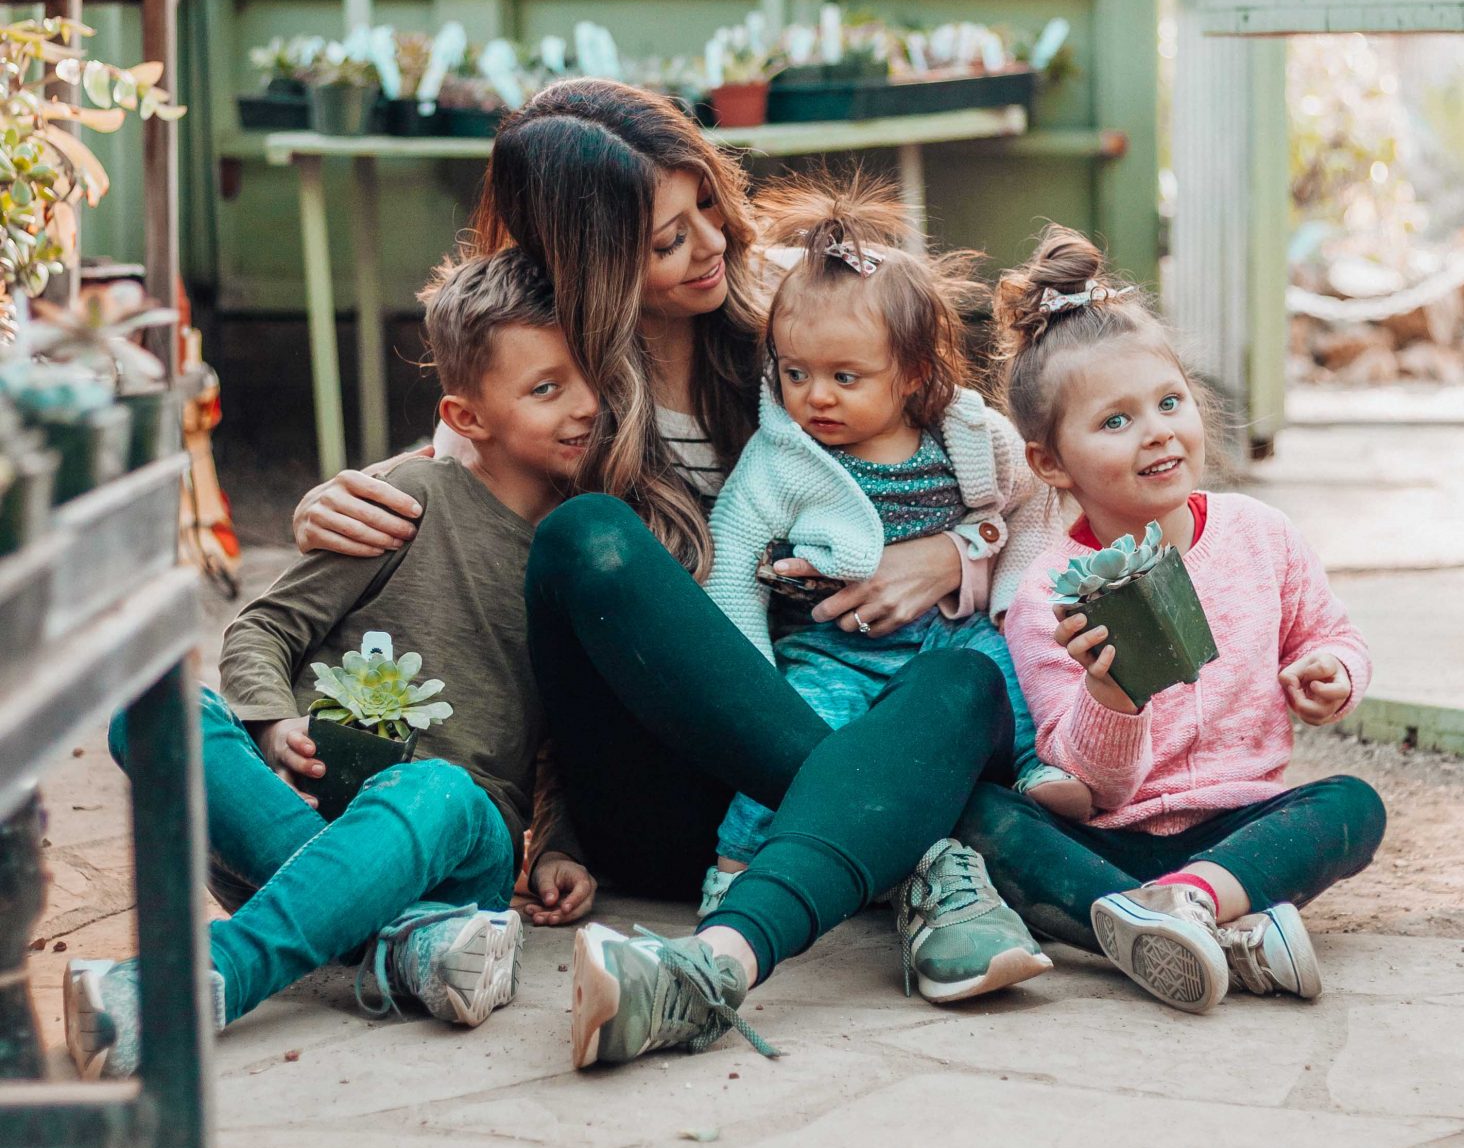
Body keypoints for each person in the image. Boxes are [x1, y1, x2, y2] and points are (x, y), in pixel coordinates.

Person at [293, 81, 1035, 1067]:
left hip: (843, 719)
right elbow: (501, 614)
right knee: (590, 537)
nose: (712, 245)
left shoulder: (798, 310)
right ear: (589, 265)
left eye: (707, 208)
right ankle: (942, 854)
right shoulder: (544, 384)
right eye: (665, 240)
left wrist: (950, 551)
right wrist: (334, 510)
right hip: (670, 792)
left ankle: (870, 863)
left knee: (964, 675)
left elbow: (1005, 473)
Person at [65, 250, 600, 1078]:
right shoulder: (406, 500)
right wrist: (273, 722)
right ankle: (401, 948)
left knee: (435, 787)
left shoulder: (580, 554)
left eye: (587, 377)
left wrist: (558, 841)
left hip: (463, 840)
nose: (586, 406)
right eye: (546, 389)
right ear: (468, 416)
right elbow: (260, 631)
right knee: (153, 707)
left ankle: (208, 978)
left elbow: (571, 731)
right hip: (316, 804)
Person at [958, 224, 1386, 1016]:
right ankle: (1217, 930)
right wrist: (1112, 694)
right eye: (1115, 422)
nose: (1156, 429)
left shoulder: (1260, 535)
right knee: (983, 817)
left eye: (1168, 402)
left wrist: (1331, 673)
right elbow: (1084, 786)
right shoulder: (1051, 597)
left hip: (1240, 825)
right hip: (1115, 836)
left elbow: (1333, 636)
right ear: (1050, 462)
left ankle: (1181, 908)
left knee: (1352, 804)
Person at [698, 174, 1088, 998]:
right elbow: (732, 556)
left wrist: (996, 580)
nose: (816, 397)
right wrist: (751, 672)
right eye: (796, 373)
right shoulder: (783, 459)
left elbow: (1035, 499)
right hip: (837, 646)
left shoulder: (969, 435)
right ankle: (736, 866)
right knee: (800, 739)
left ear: (912, 373)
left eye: (846, 377)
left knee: (1013, 671)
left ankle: (1037, 771)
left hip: (949, 633)